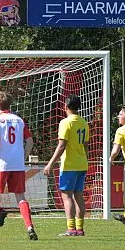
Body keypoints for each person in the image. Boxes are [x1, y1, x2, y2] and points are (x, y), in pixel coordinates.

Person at [0, 92, 37, 241]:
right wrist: (22, 157)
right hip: (17, 164)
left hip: (1, 163)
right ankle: (30, 227)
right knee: (20, 196)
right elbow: (30, 142)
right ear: (10, 104)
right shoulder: (19, 120)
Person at [43, 95, 89, 237]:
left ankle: (71, 229)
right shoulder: (84, 122)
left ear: (66, 106)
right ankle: (80, 229)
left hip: (69, 165)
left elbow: (62, 145)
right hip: (82, 164)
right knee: (79, 196)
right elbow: (86, 145)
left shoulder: (65, 122)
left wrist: (50, 163)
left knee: (67, 196)